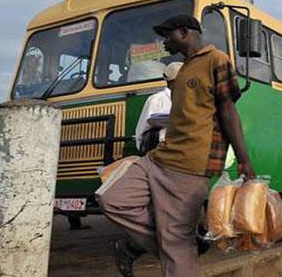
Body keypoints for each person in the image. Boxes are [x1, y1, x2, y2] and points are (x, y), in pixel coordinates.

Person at [99, 15, 256, 277]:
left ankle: (178, 246)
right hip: (158, 159)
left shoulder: (216, 60)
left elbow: (229, 113)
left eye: (167, 35)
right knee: (111, 199)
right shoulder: (182, 69)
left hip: (190, 166)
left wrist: (244, 160)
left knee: (177, 244)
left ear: (184, 32)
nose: (164, 42)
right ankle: (178, 244)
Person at [134, 62, 183, 153]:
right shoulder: (156, 100)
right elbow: (142, 133)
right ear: (170, 82)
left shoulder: (191, 98)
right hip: (162, 150)